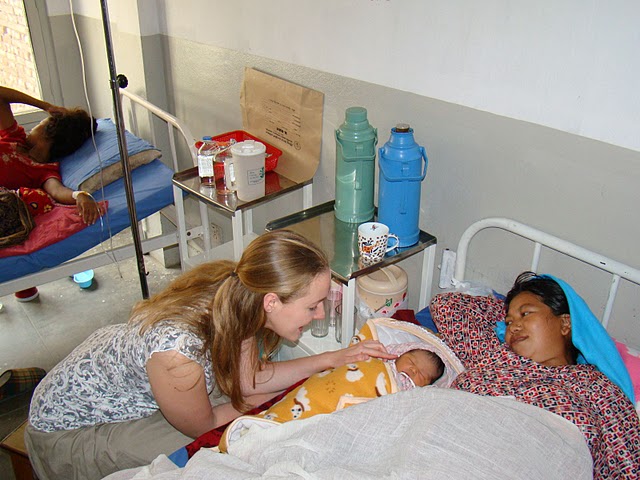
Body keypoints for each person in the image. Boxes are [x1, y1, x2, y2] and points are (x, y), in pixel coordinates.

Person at [25, 229, 396, 480]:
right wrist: (277, 400)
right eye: (314, 306)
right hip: (67, 431)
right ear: (272, 301)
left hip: (130, 391)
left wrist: (331, 360)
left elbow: (250, 380)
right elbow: (206, 424)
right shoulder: (178, 354)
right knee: (215, 451)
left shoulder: (242, 298)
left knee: (249, 407)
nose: (320, 315)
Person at [430, 271, 640, 479]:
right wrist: (505, 322)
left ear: (566, 323)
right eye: (509, 322)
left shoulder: (596, 385)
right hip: (446, 451)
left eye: (526, 313)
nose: (514, 326)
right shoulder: (495, 356)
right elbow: (446, 306)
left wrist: (581, 321)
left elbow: (627, 465)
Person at [0, 86, 103, 301]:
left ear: (51, 136)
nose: (31, 130)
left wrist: (79, 195)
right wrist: (44, 105)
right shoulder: (14, 136)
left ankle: (24, 285)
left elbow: (57, 191)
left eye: (42, 123)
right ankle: (25, 287)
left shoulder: (43, 170)